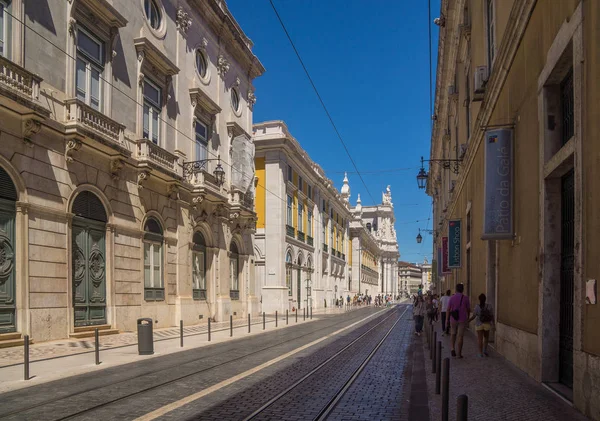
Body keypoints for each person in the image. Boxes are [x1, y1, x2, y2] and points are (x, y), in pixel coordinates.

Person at [446, 283, 471, 358]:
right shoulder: (466, 298)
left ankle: (452, 348)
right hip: (462, 319)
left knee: (453, 334)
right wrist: (468, 317)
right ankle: (459, 354)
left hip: (453, 318)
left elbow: (448, 309)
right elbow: (468, 309)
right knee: (460, 336)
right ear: (462, 289)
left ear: (456, 289)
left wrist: (447, 319)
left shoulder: (452, 298)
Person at [469, 293, 495, 357]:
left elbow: (474, 316)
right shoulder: (489, 306)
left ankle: (480, 353)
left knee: (480, 339)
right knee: (486, 338)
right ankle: (485, 350)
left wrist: (468, 320)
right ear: (485, 299)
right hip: (487, 324)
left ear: (479, 299)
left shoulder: (477, 306)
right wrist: (493, 324)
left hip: (479, 324)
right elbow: (492, 316)